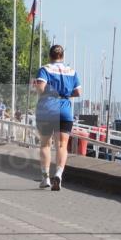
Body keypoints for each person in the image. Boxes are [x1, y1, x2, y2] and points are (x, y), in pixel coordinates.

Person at [34, 45, 81, 191]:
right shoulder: (72, 71)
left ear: (50, 56)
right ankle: (59, 174)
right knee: (62, 145)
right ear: (62, 56)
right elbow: (78, 92)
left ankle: (45, 177)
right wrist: (65, 95)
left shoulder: (45, 69)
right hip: (65, 108)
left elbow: (41, 88)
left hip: (48, 108)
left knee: (45, 144)